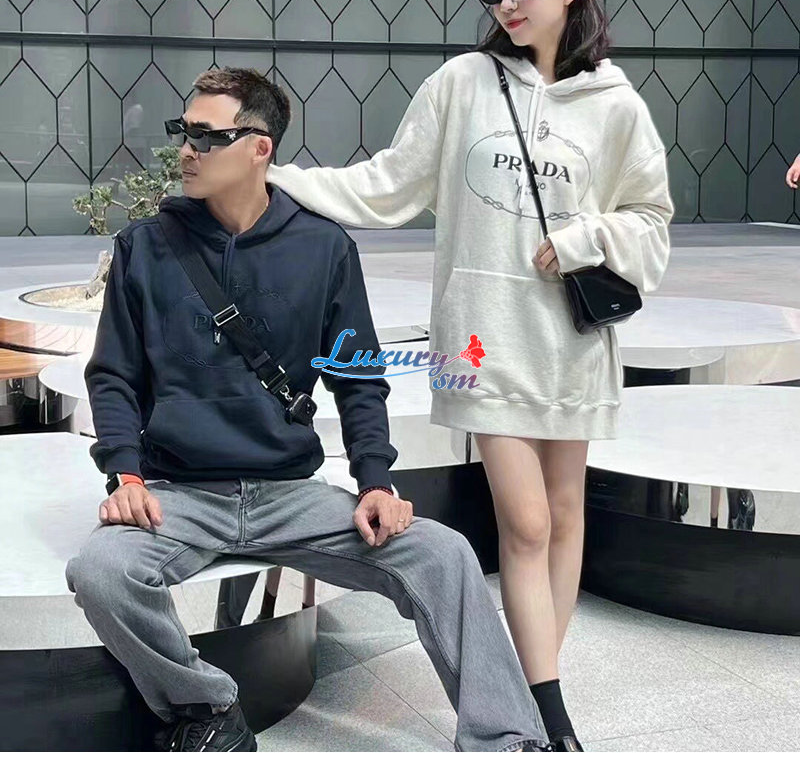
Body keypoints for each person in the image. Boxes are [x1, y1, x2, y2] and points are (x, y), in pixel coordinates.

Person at [64, 67, 551, 753]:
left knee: (443, 554)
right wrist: (126, 474)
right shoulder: (144, 247)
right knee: (101, 571)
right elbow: (113, 375)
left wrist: (376, 481)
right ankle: (207, 705)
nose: (187, 149)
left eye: (207, 135)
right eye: (183, 131)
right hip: (179, 493)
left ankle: (507, 738)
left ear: (259, 148)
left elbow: (359, 379)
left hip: (289, 494)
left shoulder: (323, 248)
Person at [266, 0, 674, 752]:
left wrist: (585, 236)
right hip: (484, 337)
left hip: (570, 342)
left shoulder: (617, 104)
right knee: (525, 520)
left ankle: (527, 688)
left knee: (564, 514)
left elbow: (650, 219)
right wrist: (280, 177)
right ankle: (552, 718)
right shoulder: (462, 82)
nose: (505, 2)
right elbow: (391, 181)